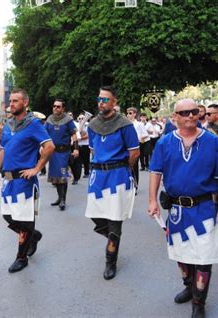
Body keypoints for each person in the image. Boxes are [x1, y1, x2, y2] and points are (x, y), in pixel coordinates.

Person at [148, 99, 218, 318]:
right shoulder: (164, 142)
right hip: (176, 210)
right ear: (175, 116)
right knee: (182, 254)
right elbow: (155, 172)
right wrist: (152, 200)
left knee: (204, 256)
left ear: (199, 114)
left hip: (204, 207)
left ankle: (199, 301)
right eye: (184, 112)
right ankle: (189, 285)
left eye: (194, 111)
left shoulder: (212, 142)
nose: (190, 116)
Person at [0, 88, 55, 273]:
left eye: (15, 101)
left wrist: (36, 168)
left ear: (25, 103)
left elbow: (49, 146)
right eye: (10, 101)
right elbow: (3, 150)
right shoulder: (8, 124)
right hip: (9, 181)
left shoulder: (33, 124)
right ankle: (33, 236)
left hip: (25, 182)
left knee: (25, 220)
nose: (11, 104)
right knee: (8, 217)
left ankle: (22, 257)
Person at [86, 86, 139, 280]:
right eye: (99, 99)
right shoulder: (92, 125)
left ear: (114, 102)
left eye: (105, 99)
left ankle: (111, 260)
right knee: (95, 215)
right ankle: (112, 238)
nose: (101, 102)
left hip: (118, 176)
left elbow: (134, 153)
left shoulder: (125, 125)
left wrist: (121, 168)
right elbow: (93, 150)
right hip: (98, 177)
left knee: (114, 220)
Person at [44, 99, 78, 210]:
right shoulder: (49, 119)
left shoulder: (68, 120)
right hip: (53, 153)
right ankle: (59, 198)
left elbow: (74, 135)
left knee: (62, 176)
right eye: (54, 106)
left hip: (64, 152)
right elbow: (44, 134)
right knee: (56, 177)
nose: (55, 108)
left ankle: (63, 200)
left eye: (58, 106)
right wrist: (42, 147)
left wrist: (76, 149)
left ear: (63, 108)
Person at [126, 107, 146, 188]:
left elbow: (145, 134)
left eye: (130, 113)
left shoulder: (139, 124)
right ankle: (128, 184)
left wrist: (139, 138)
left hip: (135, 146)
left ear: (134, 114)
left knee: (134, 166)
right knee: (126, 166)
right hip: (126, 147)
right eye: (127, 113)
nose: (128, 115)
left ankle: (135, 185)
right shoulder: (125, 124)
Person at [67, 111, 82, 185]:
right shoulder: (63, 124)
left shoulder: (76, 124)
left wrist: (76, 148)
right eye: (68, 115)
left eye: (71, 115)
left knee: (75, 163)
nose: (69, 116)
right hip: (66, 146)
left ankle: (76, 178)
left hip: (74, 145)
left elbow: (78, 136)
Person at [77, 113, 91, 178]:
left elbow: (87, 135)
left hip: (85, 145)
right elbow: (77, 134)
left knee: (86, 160)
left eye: (83, 118)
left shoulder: (87, 125)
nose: (81, 120)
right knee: (78, 161)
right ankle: (78, 175)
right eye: (80, 118)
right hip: (78, 145)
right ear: (78, 119)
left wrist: (80, 137)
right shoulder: (76, 125)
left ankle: (86, 173)